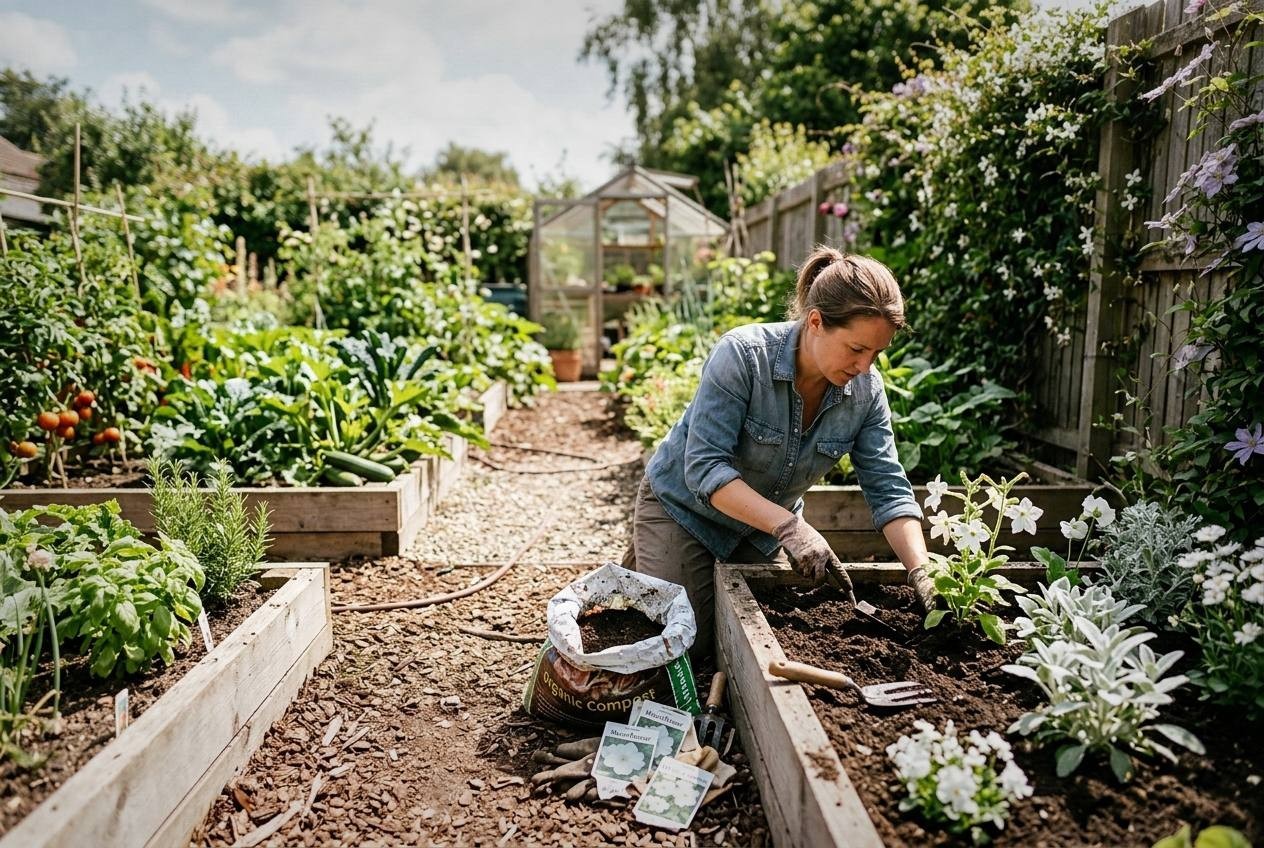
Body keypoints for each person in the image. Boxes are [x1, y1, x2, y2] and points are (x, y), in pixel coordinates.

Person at [622, 246, 937, 659]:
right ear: (816, 321)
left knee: (756, 639)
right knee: (687, 646)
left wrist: (923, 573)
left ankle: (653, 577)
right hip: (684, 513)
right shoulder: (743, 356)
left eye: (877, 353)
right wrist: (791, 529)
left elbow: (888, 488)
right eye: (857, 349)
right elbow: (704, 470)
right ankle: (648, 559)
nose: (865, 366)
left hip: (758, 532)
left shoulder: (865, 391)